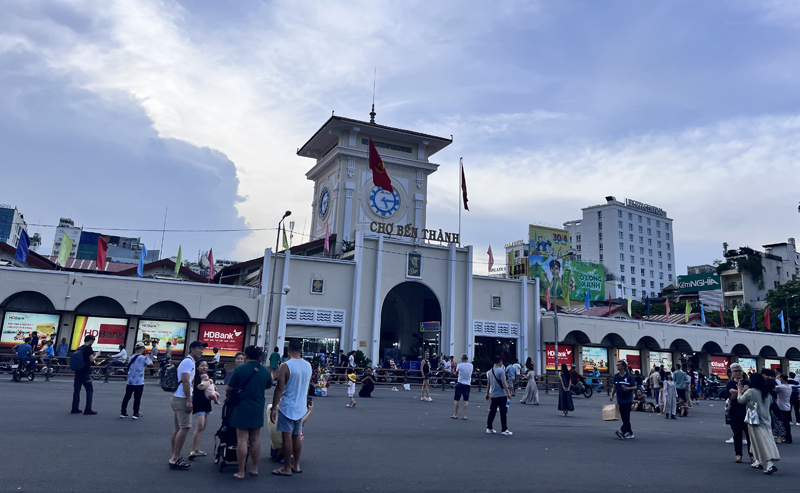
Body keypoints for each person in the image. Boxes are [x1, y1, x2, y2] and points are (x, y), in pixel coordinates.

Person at [226, 345, 273, 479]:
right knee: (255, 439)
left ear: (246, 355)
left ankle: (241, 471)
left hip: (241, 407)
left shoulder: (240, 369)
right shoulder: (264, 370)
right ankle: (254, 468)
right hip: (257, 406)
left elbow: (229, 387)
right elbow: (269, 384)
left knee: (242, 439)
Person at [270, 338, 313, 476]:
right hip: (301, 406)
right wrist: (305, 403)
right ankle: (296, 465)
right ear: (301, 350)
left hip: (287, 406)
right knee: (297, 436)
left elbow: (279, 388)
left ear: (288, 350)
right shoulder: (308, 366)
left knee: (286, 437)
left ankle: (287, 468)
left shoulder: (285, 366)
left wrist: (273, 408)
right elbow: (307, 388)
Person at [168, 340, 204, 471]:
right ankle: (175, 458)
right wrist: (189, 399)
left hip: (178, 396)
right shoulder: (189, 361)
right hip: (182, 398)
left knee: (178, 428)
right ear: (192, 349)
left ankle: (174, 456)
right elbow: (185, 380)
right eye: (199, 348)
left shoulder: (188, 361)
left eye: (202, 349)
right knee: (185, 428)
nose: (201, 351)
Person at [738, 374, 780, 473]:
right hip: (766, 420)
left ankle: (769, 464)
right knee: (761, 441)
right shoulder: (766, 393)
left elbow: (741, 400)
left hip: (754, 421)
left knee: (760, 442)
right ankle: (758, 461)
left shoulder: (751, 392)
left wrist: (740, 390)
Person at [726, 363, 752, 463]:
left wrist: (736, 391)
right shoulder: (730, 383)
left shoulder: (747, 382)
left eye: (739, 371)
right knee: (737, 435)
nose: (737, 373)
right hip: (735, 411)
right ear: (731, 373)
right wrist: (741, 390)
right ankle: (738, 454)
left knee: (749, 435)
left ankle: (752, 455)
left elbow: (749, 394)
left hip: (747, 411)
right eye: (735, 371)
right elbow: (730, 396)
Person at [120, 342, 153, 419]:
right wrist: (148, 357)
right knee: (137, 398)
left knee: (127, 396)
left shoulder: (131, 357)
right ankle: (135, 413)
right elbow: (151, 364)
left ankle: (123, 412)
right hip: (139, 381)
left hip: (130, 380)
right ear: (142, 349)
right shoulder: (143, 357)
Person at [188, 360, 213, 460]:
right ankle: (193, 450)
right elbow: (200, 387)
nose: (204, 367)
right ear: (197, 367)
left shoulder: (208, 376)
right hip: (198, 404)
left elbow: (213, 388)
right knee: (199, 427)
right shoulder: (196, 377)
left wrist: (210, 383)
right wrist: (210, 382)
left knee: (202, 428)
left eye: (206, 366)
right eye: (202, 366)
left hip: (207, 404)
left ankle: (197, 449)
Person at [485, 356, 512, 435]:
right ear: (500, 362)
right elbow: (504, 383)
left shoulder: (490, 371)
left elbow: (488, 383)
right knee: (503, 412)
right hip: (501, 394)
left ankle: (489, 427)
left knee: (492, 412)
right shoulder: (501, 371)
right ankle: (504, 429)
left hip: (493, 394)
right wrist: (508, 393)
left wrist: (487, 393)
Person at [610, 359, 637, 439]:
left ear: (624, 366)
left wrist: (628, 388)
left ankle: (622, 431)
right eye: (617, 365)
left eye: (619, 365)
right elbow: (614, 386)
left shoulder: (629, 377)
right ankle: (630, 432)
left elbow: (635, 386)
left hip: (628, 399)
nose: (617, 366)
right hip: (620, 398)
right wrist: (611, 395)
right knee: (623, 417)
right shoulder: (616, 376)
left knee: (626, 415)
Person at [71, 334, 97, 415]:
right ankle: (88, 409)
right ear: (90, 341)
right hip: (85, 372)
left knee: (77, 390)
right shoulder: (88, 348)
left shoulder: (80, 348)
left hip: (78, 371)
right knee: (89, 390)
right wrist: (97, 354)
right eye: (93, 341)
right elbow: (91, 359)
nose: (93, 342)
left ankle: (75, 408)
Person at [452, 354, 473, 419]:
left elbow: (456, 373)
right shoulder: (471, 365)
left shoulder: (459, 365)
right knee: (466, 400)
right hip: (467, 384)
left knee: (457, 399)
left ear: (462, 359)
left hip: (460, 383)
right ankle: (464, 415)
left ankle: (455, 414)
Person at [776, 374, 793, 444]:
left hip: (781, 407)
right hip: (788, 406)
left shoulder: (781, 387)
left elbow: (773, 388)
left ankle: (786, 437)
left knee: (783, 423)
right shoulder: (789, 387)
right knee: (787, 423)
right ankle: (788, 437)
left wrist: (776, 379)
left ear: (782, 379)